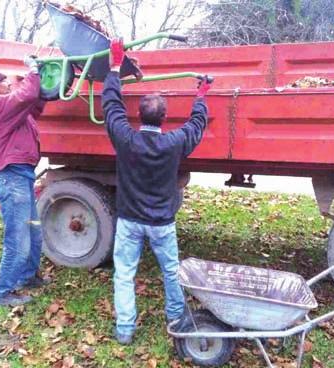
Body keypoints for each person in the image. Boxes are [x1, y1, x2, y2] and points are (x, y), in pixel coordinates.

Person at [102, 39, 211, 345]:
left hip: (129, 220)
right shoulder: (174, 142)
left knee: (124, 273)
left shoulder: (126, 139)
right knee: (171, 270)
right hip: (162, 222)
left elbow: (111, 106)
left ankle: (125, 329)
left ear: (138, 116)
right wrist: (201, 95)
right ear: (163, 118)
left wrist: (114, 66)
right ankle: (176, 319)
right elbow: (196, 124)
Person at [0, 57, 49, 307]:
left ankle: (27, 278)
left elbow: (35, 104)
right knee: (18, 239)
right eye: (5, 81)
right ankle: (4, 292)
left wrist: (44, 84)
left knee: (34, 232)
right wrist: (33, 71)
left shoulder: (9, 107)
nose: (9, 83)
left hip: (23, 179)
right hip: (11, 180)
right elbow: (25, 96)